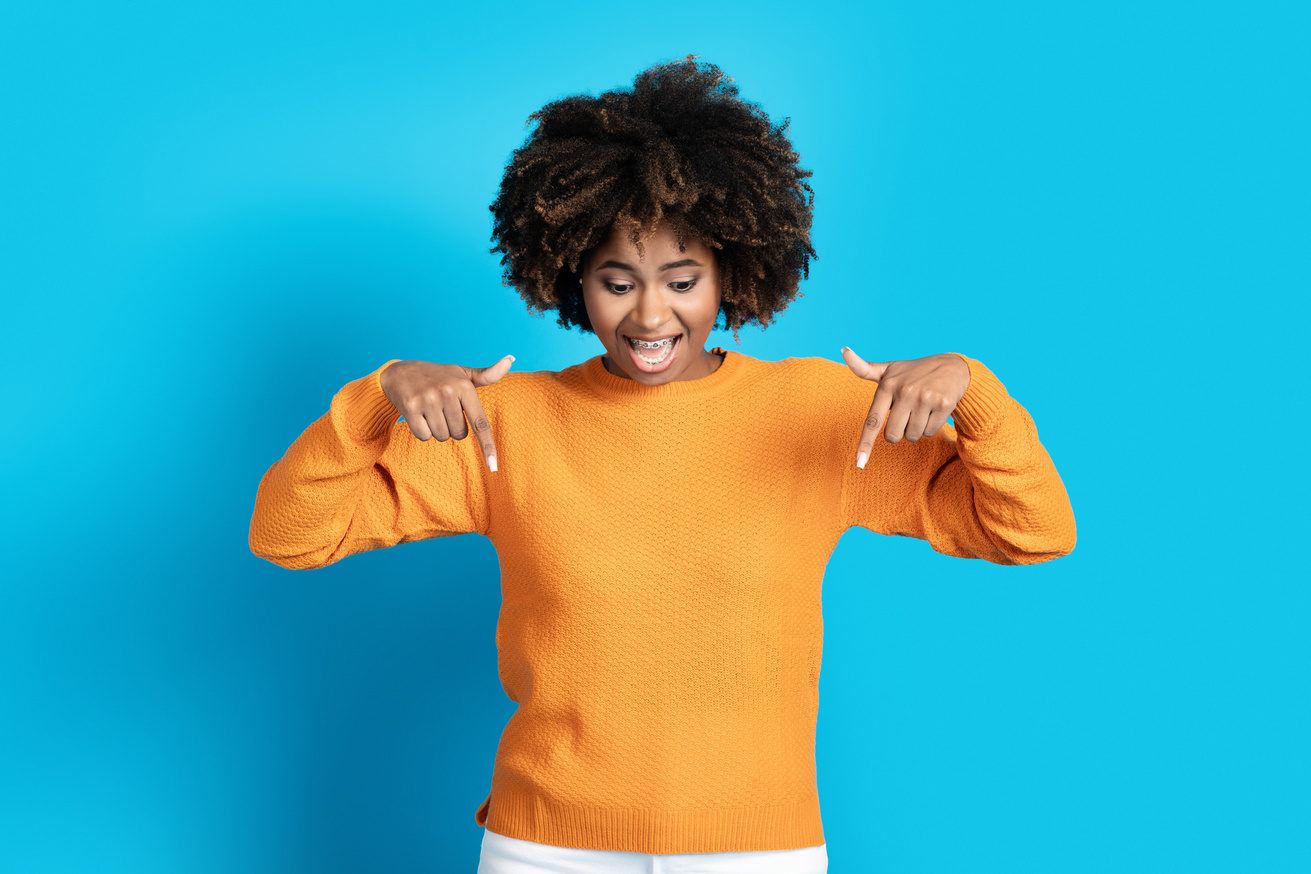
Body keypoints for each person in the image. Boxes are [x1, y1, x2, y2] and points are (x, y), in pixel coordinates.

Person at [249, 56, 1076, 874]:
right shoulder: (506, 424)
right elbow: (290, 535)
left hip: (760, 851)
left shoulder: (816, 416)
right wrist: (378, 395)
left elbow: (1033, 531)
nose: (650, 314)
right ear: (572, 277)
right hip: (547, 850)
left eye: (682, 280)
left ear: (730, 275)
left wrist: (974, 391)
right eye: (617, 281)